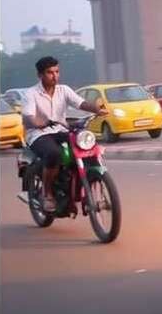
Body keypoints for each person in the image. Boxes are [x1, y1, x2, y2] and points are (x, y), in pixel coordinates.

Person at [22, 56, 107, 212]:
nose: (55, 76)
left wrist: (97, 109)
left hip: (60, 129)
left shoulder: (64, 90)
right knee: (53, 153)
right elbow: (28, 117)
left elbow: (80, 103)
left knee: (85, 146)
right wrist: (38, 123)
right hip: (38, 134)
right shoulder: (31, 94)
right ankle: (48, 194)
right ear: (40, 75)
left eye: (57, 71)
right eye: (50, 72)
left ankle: (81, 180)